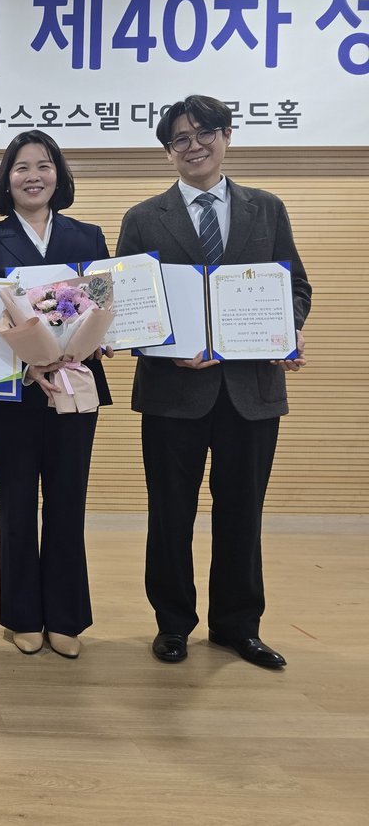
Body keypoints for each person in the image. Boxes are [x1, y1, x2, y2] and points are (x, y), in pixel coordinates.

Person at [116, 94, 311, 669]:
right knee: (169, 515)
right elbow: (126, 306)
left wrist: (287, 330)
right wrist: (164, 349)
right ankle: (172, 624)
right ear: (168, 151)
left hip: (251, 393)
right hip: (172, 392)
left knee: (243, 514)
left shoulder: (266, 209)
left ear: (227, 136)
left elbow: (295, 287)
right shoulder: (143, 218)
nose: (194, 145)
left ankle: (237, 627)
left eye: (205, 133)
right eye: (180, 138)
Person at [0, 130, 112, 659]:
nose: (33, 176)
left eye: (43, 165)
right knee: (17, 503)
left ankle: (67, 617)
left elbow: (105, 305)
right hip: (14, 393)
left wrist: (87, 346)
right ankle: (22, 615)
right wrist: (31, 365)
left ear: (59, 175)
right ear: (6, 179)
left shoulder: (89, 237)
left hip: (76, 384)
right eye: (21, 167)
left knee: (69, 501)